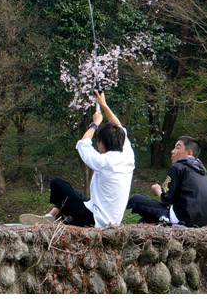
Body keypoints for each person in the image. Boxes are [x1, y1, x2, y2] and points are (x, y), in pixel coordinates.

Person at [20, 89, 135, 227]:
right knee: (76, 195)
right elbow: (119, 128)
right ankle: (51, 216)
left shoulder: (103, 161)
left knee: (57, 183)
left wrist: (95, 124)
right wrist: (103, 105)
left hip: (94, 219)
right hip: (108, 217)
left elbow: (83, 144)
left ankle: (58, 217)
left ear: (101, 144)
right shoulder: (128, 156)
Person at [127, 136, 207, 227]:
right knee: (145, 220)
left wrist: (158, 190)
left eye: (177, 147)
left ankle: (114, 220)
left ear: (189, 153)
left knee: (136, 200)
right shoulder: (202, 173)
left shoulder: (178, 167)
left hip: (183, 220)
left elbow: (166, 199)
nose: (172, 151)